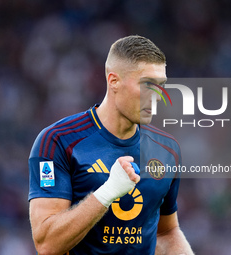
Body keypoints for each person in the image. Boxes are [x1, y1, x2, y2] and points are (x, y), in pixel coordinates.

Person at [28, 35, 194, 255]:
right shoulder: (58, 141)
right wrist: (108, 192)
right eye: (147, 84)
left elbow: (166, 233)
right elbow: (47, 244)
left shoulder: (167, 149)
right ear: (114, 81)